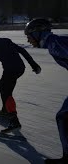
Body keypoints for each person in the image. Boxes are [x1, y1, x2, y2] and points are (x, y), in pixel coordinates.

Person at [0, 25, 41, 133]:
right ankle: (5, 110)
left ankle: (13, 120)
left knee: (4, 89)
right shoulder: (6, 40)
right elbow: (22, 51)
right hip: (20, 68)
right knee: (5, 88)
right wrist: (34, 65)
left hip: (10, 69)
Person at [24, 18, 68, 164]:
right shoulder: (56, 42)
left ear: (38, 33)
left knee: (63, 117)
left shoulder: (55, 44)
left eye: (29, 36)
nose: (29, 40)